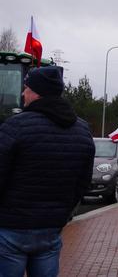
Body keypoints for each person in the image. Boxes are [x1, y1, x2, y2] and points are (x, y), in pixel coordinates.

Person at [0, 66, 95, 277]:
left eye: (26, 88)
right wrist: (63, 212)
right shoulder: (82, 130)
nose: (23, 93)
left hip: (11, 227)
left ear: (37, 92)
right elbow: (83, 182)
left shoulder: (15, 126)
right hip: (51, 228)